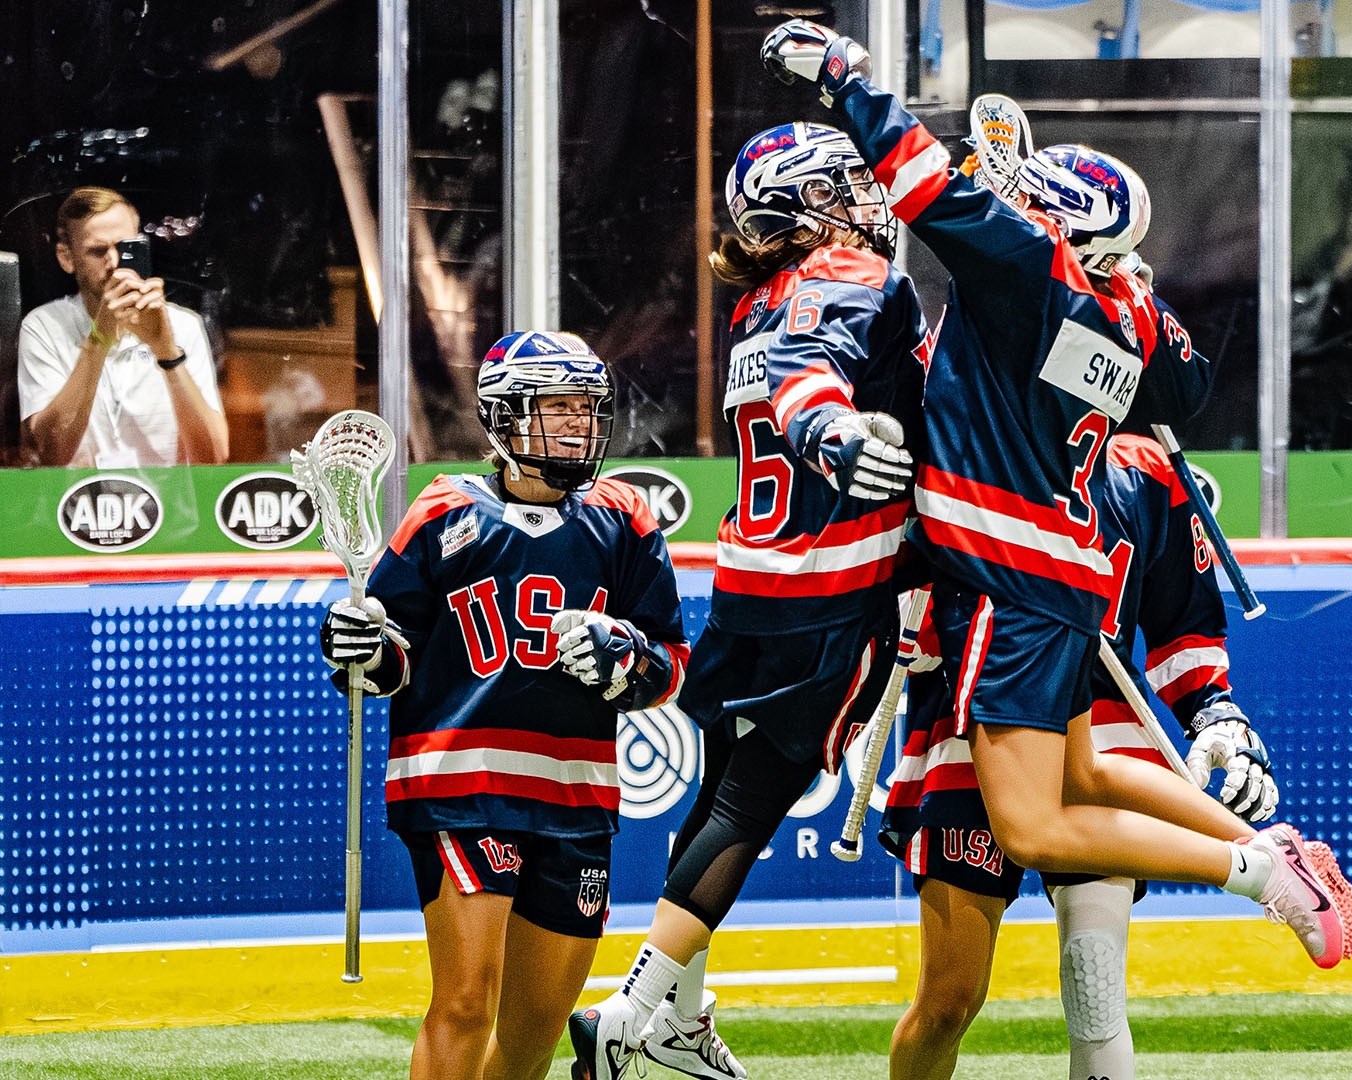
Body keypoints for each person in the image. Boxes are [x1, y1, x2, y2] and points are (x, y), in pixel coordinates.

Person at [761, 18, 1352, 956]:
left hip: (1007, 580)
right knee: (1092, 768)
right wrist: (1129, 279)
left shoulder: (1029, 270)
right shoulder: (1124, 316)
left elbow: (920, 179)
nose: (1015, 202)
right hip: (1065, 579)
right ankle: (1267, 845)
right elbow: (1187, 382)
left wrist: (844, 77)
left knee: (1034, 823)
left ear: (1063, 230)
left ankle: (1262, 877)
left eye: (1035, 201)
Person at [568, 121, 931, 1080]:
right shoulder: (858, 276)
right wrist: (838, 435)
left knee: (719, 797)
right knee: (753, 802)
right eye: (847, 182)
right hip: (836, 582)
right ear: (807, 204)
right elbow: (813, 378)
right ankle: (636, 1010)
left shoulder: (757, 300)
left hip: (749, 582)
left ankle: (676, 1016)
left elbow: (792, 366)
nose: (868, 195)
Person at [878, 434, 1352, 1080]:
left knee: (1094, 983)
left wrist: (1214, 713)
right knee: (948, 1001)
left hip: (1097, 719)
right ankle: (1264, 858)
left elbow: (1182, 622)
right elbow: (912, 624)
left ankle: (1266, 864)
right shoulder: (970, 450)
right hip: (970, 723)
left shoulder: (1139, 470)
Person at [317, 331, 689, 1080]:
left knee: (536, 1026)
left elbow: (673, 665)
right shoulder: (442, 511)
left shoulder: (625, 518)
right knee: (463, 1002)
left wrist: (627, 656)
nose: (579, 426)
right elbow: (389, 661)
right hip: (461, 786)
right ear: (505, 417)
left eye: (587, 409)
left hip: (577, 796)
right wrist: (356, 647)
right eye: (558, 408)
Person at [16, 186, 228, 467]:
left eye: (126, 248)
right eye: (98, 250)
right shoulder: (44, 326)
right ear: (67, 258)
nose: (114, 263)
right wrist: (99, 339)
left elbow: (214, 458)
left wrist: (167, 352)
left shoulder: (183, 325)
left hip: (168, 503)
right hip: (79, 504)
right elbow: (49, 453)